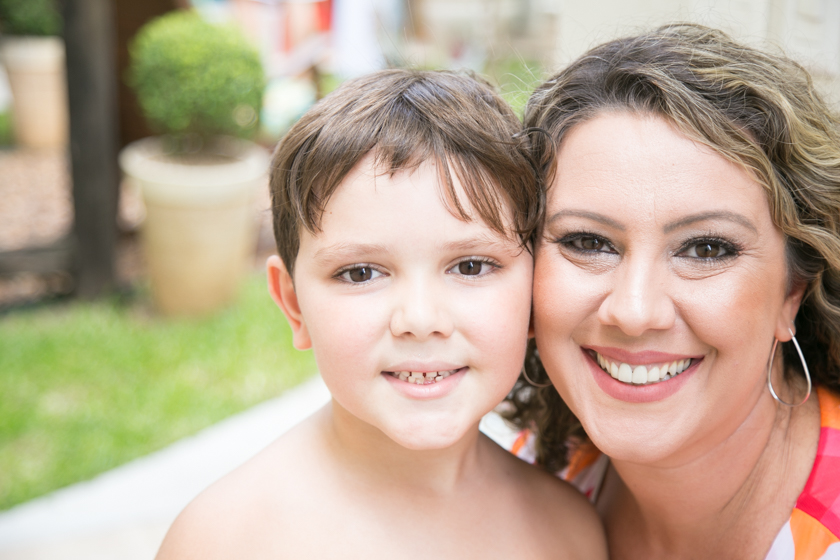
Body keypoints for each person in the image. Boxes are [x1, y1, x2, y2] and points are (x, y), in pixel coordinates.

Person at [155, 69, 607, 559]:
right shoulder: (224, 541)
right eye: (361, 273)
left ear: (535, 295)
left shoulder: (567, 531)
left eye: (471, 266)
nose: (418, 317)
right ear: (293, 305)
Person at [505, 23, 840, 559]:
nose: (635, 312)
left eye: (707, 249)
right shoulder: (530, 482)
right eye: (588, 241)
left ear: (792, 291)